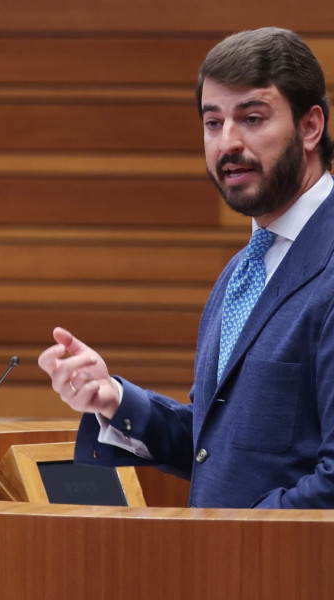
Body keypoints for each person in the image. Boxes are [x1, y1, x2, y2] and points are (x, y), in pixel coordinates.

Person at [38, 27, 334, 509]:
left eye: (252, 118)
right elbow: (212, 446)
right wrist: (112, 398)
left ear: (310, 127)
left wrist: (223, 547)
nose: (228, 143)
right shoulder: (244, 270)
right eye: (213, 123)